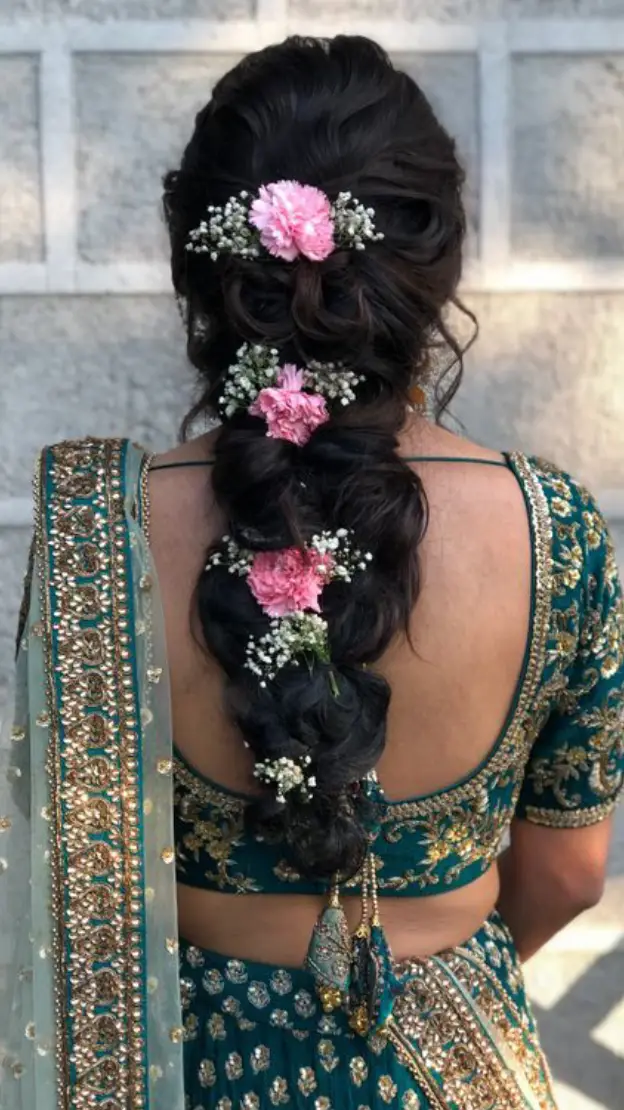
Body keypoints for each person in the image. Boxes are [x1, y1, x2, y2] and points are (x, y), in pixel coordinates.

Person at [1, 34, 622, 1110]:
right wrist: (435, 976)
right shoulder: (555, 531)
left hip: (188, 1068)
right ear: (433, 268)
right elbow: (566, 875)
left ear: (205, 271)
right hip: (455, 1069)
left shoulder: (103, 528)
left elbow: (69, 873)